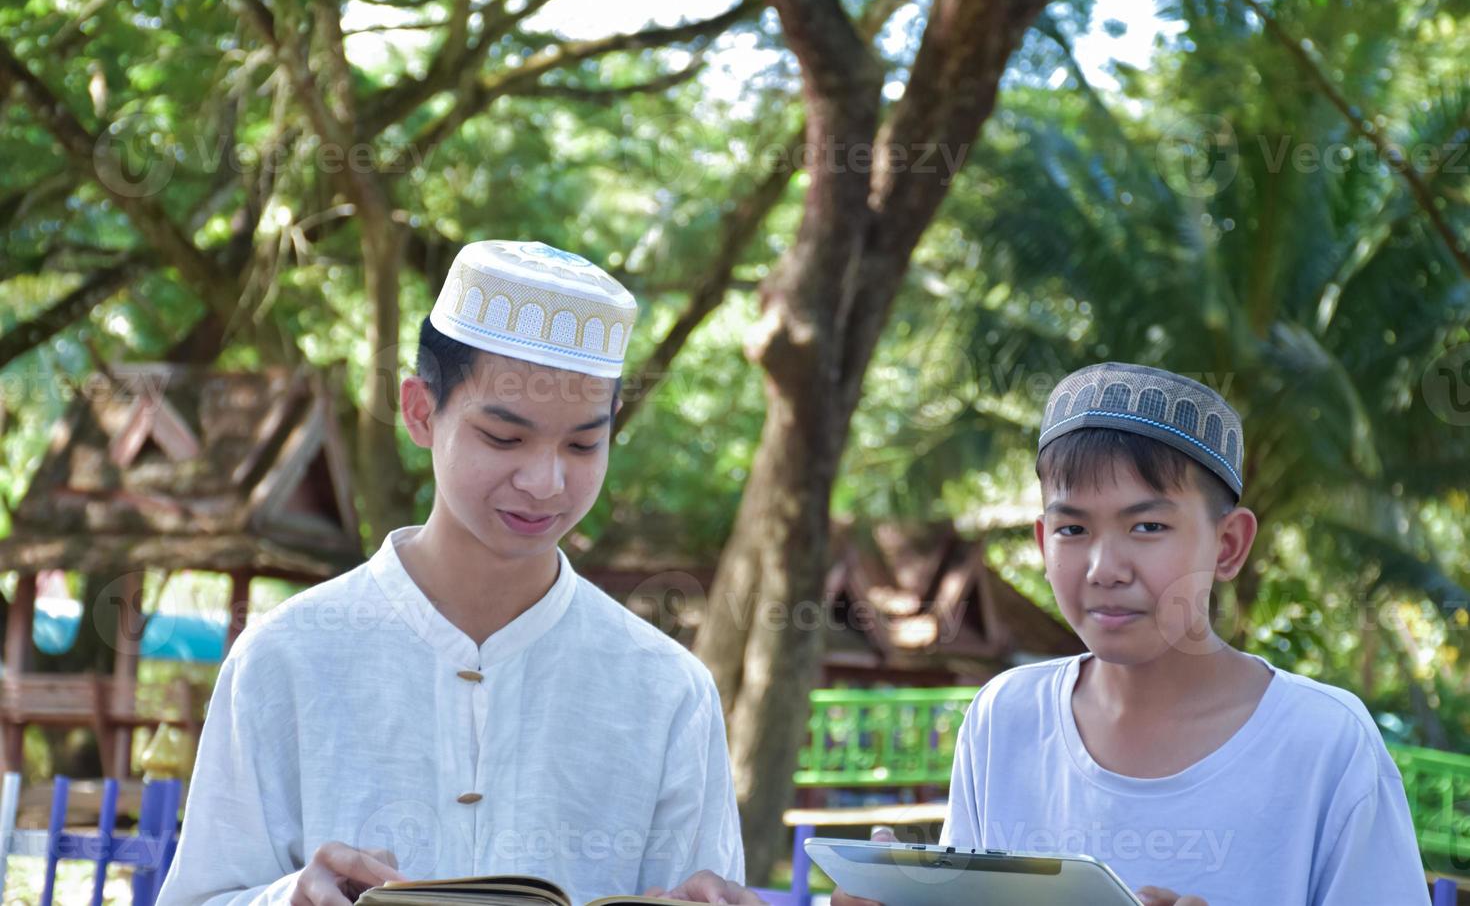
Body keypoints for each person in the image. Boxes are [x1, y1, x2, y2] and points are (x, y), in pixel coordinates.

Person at [158, 241, 757, 906]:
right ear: (419, 411)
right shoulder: (286, 657)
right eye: (504, 438)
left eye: (584, 444)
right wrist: (288, 899)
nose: (544, 482)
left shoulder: (667, 690)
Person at [836, 363, 1426, 906]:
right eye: (1072, 528)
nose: (1104, 569)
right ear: (1042, 544)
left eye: (1148, 525)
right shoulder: (1005, 720)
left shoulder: (1324, 744)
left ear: (1228, 545)